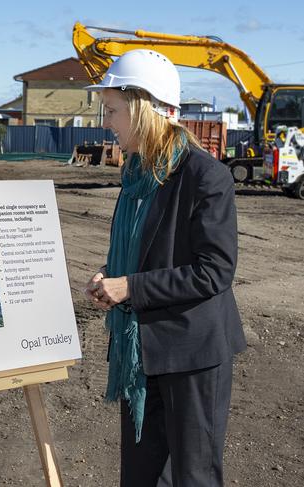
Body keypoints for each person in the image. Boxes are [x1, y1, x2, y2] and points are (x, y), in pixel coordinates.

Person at [85, 49, 246, 487]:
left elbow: (214, 271)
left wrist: (131, 288)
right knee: (141, 475)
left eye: (113, 110)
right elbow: (145, 251)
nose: (107, 122)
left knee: (192, 475)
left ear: (142, 108)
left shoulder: (204, 176)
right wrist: (110, 274)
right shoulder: (137, 174)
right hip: (142, 352)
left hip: (192, 352)